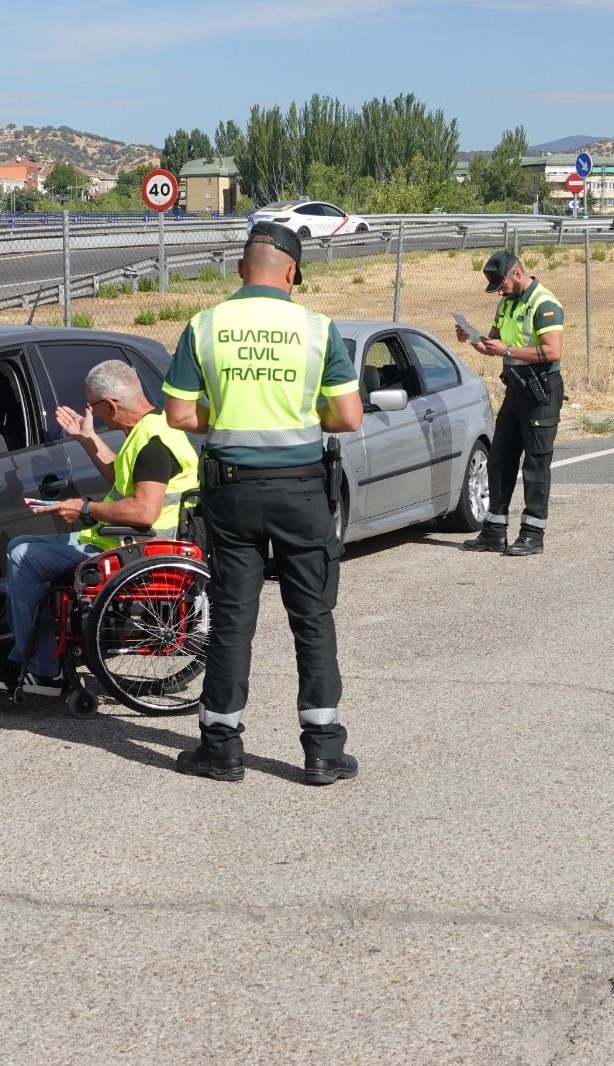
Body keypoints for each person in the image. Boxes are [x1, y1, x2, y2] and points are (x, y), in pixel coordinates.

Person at [163, 221, 364, 786]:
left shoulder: (205, 325)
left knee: (232, 618)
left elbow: (180, 415)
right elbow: (348, 417)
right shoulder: (317, 328)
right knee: (313, 618)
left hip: (232, 490)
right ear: (293, 273)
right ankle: (323, 750)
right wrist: (301, 420)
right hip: (302, 490)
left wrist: (227, 418)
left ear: (240, 270)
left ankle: (221, 747)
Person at [0, 361, 199, 697]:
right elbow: (123, 481)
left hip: (137, 548)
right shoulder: (156, 426)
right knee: (21, 545)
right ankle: (33, 655)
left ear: (111, 405)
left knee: (23, 556)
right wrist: (88, 439)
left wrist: (85, 507)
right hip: (128, 542)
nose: (94, 414)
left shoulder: (151, 443)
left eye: (93, 407)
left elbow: (144, 510)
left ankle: (41, 669)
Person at [455, 250, 565, 556]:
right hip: (515, 390)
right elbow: (493, 346)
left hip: (540, 391)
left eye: (501, 284)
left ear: (517, 274)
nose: (499, 291)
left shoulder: (544, 303)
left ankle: (532, 534)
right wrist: (473, 339)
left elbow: (552, 351)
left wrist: (507, 351)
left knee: (536, 463)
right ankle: (494, 531)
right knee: (500, 458)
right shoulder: (507, 303)